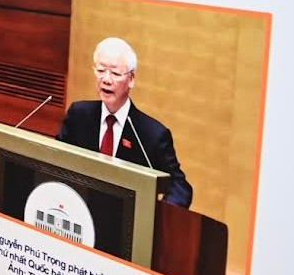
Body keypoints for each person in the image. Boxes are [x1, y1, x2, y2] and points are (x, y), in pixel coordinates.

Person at [56, 37, 192, 207]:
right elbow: (56, 160)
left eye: (115, 73)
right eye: (100, 70)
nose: (106, 79)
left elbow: (180, 187)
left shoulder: (152, 134)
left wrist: (159, 215)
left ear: (131, 79)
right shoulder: (79, 115)